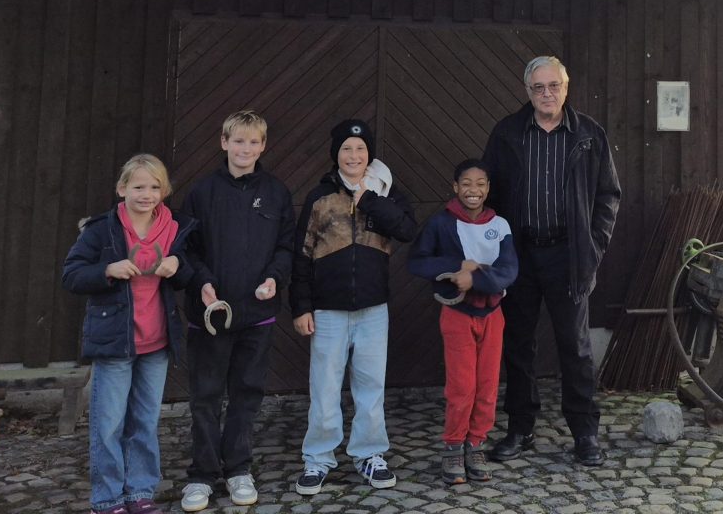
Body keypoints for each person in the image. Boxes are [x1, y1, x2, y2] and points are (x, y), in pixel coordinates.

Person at [482, 55, 621, 468]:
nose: (547, 94)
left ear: (566, 87)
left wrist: (593, 247)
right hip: (520, 254)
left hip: (569, 255)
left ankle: (584, 432)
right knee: (518, 344)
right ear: (528, 92)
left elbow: (608, 196)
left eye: (553, 86)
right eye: (538, 87)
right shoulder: (507, 132)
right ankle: (520, 428)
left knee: (575, 347)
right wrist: (496, 249)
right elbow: (489, 192)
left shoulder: (589, 135)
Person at [62, 154, 197, 514]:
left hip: (157, 342)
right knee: (108, 424)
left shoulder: (175, 227)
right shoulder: (101, 229)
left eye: (154, 187)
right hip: (115, 342)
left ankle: (140, 492)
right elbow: (71, 274)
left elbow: (188, 275)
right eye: (138, 186)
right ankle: (107, 499)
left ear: (164, 191)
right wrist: (107, 269)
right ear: (122, 189)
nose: (146, 194)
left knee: (145, 422)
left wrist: (178, 264)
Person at [290, 118, 417, 496]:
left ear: (369, 155)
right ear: (336, 154)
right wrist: (301, 307)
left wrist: (371, 201)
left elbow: (407, 230)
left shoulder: (386, 193)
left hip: (373, 309)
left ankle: (369, 454)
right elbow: (301, 255)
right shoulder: (319, 197)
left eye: (361, 149)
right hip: (328, 310)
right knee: (324, 388)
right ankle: (318, 458)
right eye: (346, 148)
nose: (354, 155)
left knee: (370, 386)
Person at [178, 111, 296, 511]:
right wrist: (202, 281)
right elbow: (186, 249)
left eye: (253, 142)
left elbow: (286, 247)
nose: (245, 148)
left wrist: (275, 277)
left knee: (247, 394)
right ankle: (202, 475)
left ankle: (238, 469)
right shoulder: (202, 192)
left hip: (257, 314)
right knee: (205, 397)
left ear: (263, 146)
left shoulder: (277, 193)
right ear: (224, 142)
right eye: (238, 140)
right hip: (210, 315)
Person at [408, 159, 518, 485]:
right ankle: (454, 446)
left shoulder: (500, 225)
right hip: (457, 315)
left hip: (492, 315)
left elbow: (509, 270)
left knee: (487, 385)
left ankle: (476, 444)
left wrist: (477, 277)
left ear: (488, 188)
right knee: (462, 385)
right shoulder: (441, 223)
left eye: (480, 184)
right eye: (466, 183)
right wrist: (457, 265)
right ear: (455, 187)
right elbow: (417, 261)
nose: (473, 190)